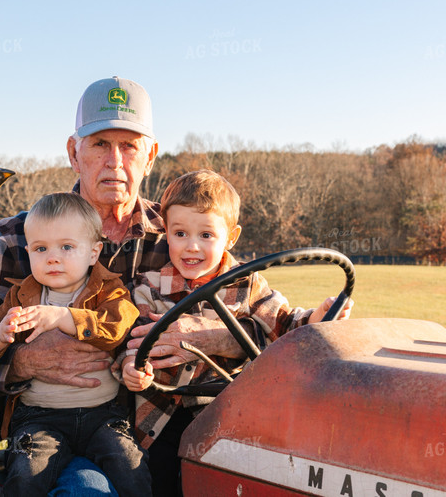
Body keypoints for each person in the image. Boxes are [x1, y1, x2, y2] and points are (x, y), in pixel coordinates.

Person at [0, 76, 333, 494]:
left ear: (149, 156)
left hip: (154, 427)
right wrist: (27, 362)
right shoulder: (19, 236)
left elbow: (252, 309)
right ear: (73, 153)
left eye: (129, 146)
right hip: (50, 424)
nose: (115, 161)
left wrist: (212, 336)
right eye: (99, 144)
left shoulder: (179, 233)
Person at [118, 171, 353, 495]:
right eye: (181, 233)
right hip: (159, 417)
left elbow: (284, 323)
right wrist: (132, 369)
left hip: (225, 414)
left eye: (206, 235)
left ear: (231, 237)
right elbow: (132, 346)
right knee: (154, 480)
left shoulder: (248, 284)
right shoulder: (147, 288)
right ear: (166, 234)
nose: (192, 247)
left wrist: (317, 316)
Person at [0, 192, 149, 496]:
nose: (52, 257)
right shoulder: (22, 296)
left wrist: (64, 317)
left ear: (93, 253)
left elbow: (118, 326)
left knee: (130, 465)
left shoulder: (108, 290)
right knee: (26, 474)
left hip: (101, 414)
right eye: (41, 248)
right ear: (29, 253)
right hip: (39, 415)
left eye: (66, 247)